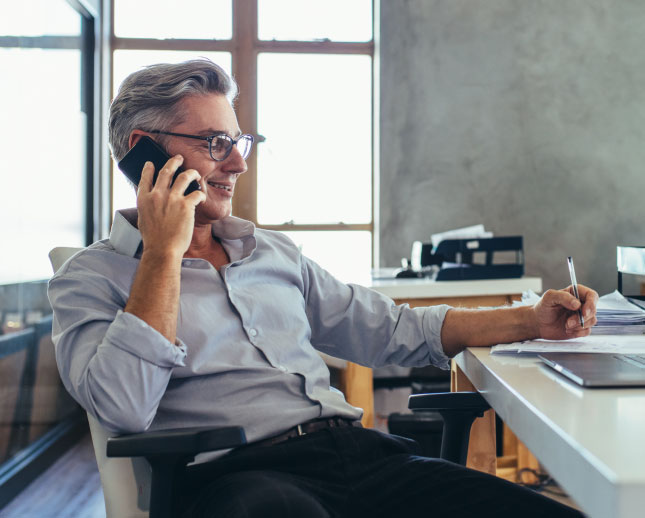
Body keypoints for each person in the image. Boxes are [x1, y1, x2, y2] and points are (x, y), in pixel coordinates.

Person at [49, 59, 598, 518]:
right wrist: (165, 253)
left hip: (361, 459)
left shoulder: (272, 253)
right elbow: (122, 406)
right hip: (241, 482)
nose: (239, 162)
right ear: (143, 151)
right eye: (216, 143)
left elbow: (398, 330)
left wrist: (532, 320)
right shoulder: (91, 278)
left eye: (239, 141)